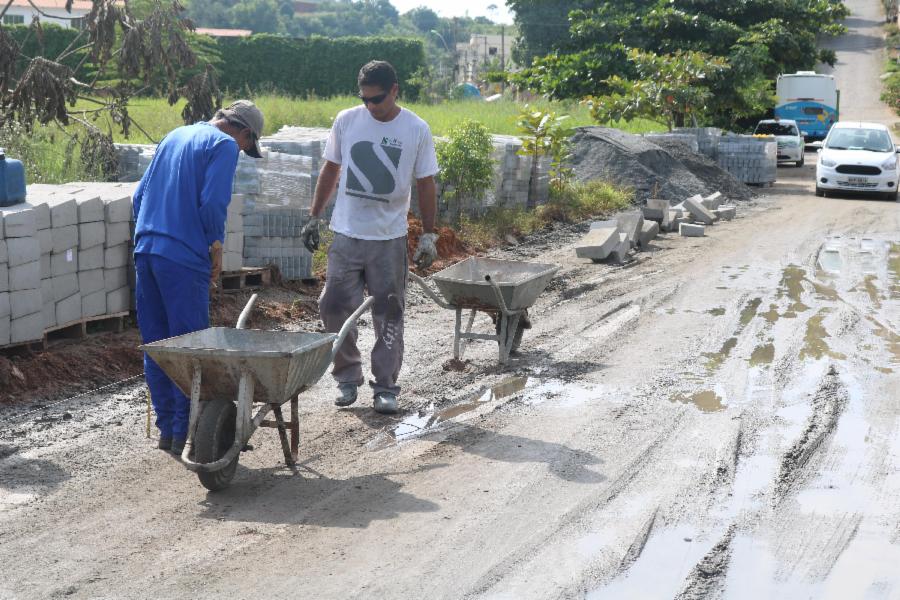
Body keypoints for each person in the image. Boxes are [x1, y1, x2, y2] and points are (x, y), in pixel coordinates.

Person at [302, 60, 439, 415]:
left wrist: (429, 234)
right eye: (364, 99)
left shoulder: (416, 129)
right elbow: (331, 168)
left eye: (376, 99)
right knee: (332, 305)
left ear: (394, 90)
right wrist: (314, 216)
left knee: (388, 315)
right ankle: (347, 376)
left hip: (389, 240)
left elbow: (426, 183)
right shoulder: (347, 120)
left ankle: (386, 387)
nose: (370, 106)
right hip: (347, 235)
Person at [133, 100, 265, 453]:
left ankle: (168, 432)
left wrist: (151, 232)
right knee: (189, 346)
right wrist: (215, 246)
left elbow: (138, 196)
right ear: (245, 133)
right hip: (183, 257)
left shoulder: (174, 135)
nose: (241, 150)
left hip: (145, 250)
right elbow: (212, 203)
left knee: (158, 345)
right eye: (246, 146)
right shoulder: (223, 145)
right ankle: (186, 430)